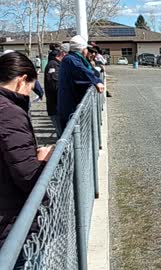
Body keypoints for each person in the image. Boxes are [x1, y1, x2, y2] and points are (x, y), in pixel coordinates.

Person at [0, 51, 54, 250]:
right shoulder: (10, 114)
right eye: (30, 89)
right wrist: (41, 160)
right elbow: (27, 176)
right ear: (21, 81)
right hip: (10, 221)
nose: (27, 95)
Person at [57, 35, 105, 133]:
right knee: (71, 135)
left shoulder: (73, 59)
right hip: (69, 106)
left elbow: (93, 72)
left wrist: (97, 80)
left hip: (71, 103)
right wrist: (97, 81)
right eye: (86, 49)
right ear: (83, 50)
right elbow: (87, 73)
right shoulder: (71, 60)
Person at [44, 43, 69, 137]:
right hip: (55, 107)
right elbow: (55, 86)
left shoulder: (60, 65)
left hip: (61, 106)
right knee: (63, 136)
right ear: (63, 53)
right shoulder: (53, 65)